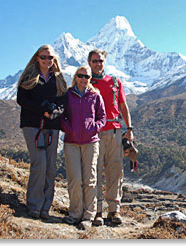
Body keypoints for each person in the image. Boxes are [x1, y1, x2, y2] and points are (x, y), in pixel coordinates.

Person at [16, 44, 67, 220]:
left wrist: (54, 112)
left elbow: (63, 103)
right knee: (40, 164)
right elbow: (21, 99)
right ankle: (34, 206)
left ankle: (46, 207)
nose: (47, 60)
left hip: (52, 126)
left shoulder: (59, 79)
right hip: (32, 125)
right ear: (37, 58)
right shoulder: (29, 76)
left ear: (54, 60)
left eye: (50, 57)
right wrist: (42, 108)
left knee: (51, 167)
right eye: (43, 57)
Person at [88, 49, 134, 225]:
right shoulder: (86, 81)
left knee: (115, 171)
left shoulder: (115, 81)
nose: (98, 64)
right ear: (89, 63)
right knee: (96, 171)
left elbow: (123, 106)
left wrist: (129, 128)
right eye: (94, 61)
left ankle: (114, 210)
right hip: (95, 132)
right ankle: (97, 210)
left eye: (100, 61)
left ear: (104, 62)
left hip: (115, 130)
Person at [61, 66, 106, 230]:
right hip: (71, 142)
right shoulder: (68, 95)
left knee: (90, 179)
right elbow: (61, 115)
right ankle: (74, 214)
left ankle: (88, 216)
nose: (83, 79)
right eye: (80, 76)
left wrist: (94, 128)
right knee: (74, 179)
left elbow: (102, 117)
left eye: (86, 76)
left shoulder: (95, 96)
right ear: (75, 77)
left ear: (89, 78)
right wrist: (68, 128)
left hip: (91, 142)